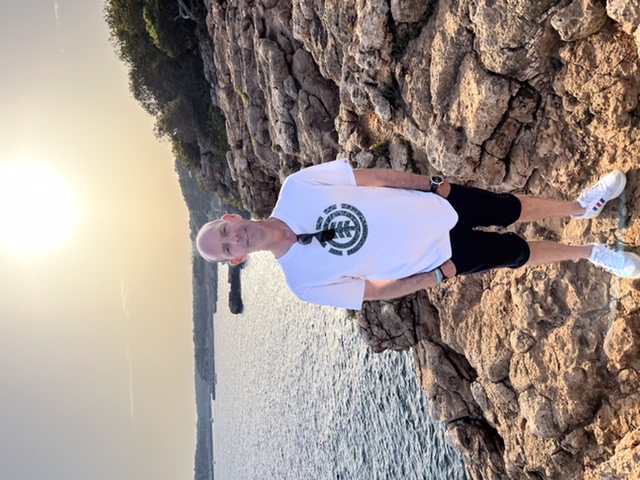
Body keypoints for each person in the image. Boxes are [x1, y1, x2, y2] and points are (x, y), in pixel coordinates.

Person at [196, 159, 639, 309]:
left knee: (509, 208)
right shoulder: (303, 284)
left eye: (225, 231)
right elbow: (374, 291)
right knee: (515, 253)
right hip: (437, 257)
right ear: (236, 260)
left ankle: (581, 207)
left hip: (433, 203)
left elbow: (370, 178)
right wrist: (437, 276)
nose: (235, 239)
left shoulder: (296, 188)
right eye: (227, 249)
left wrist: (431, 184)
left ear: (230, 218)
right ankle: (591, 252)